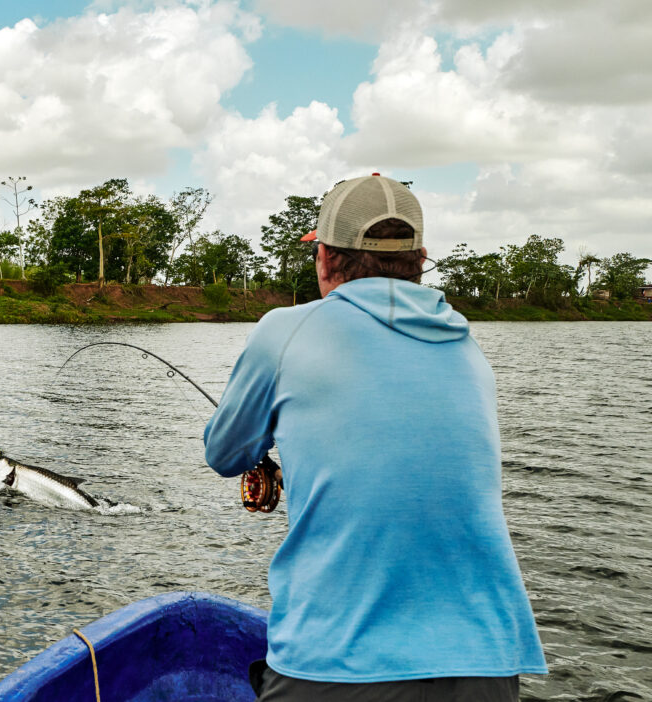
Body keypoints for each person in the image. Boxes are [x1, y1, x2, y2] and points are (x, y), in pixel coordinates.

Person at [204, 174, 546, 701]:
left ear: (324, 258)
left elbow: (225, 453)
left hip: (336, 663)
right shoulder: (465, 342)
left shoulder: (283, 330)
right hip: (487, 662)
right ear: (420, 259)